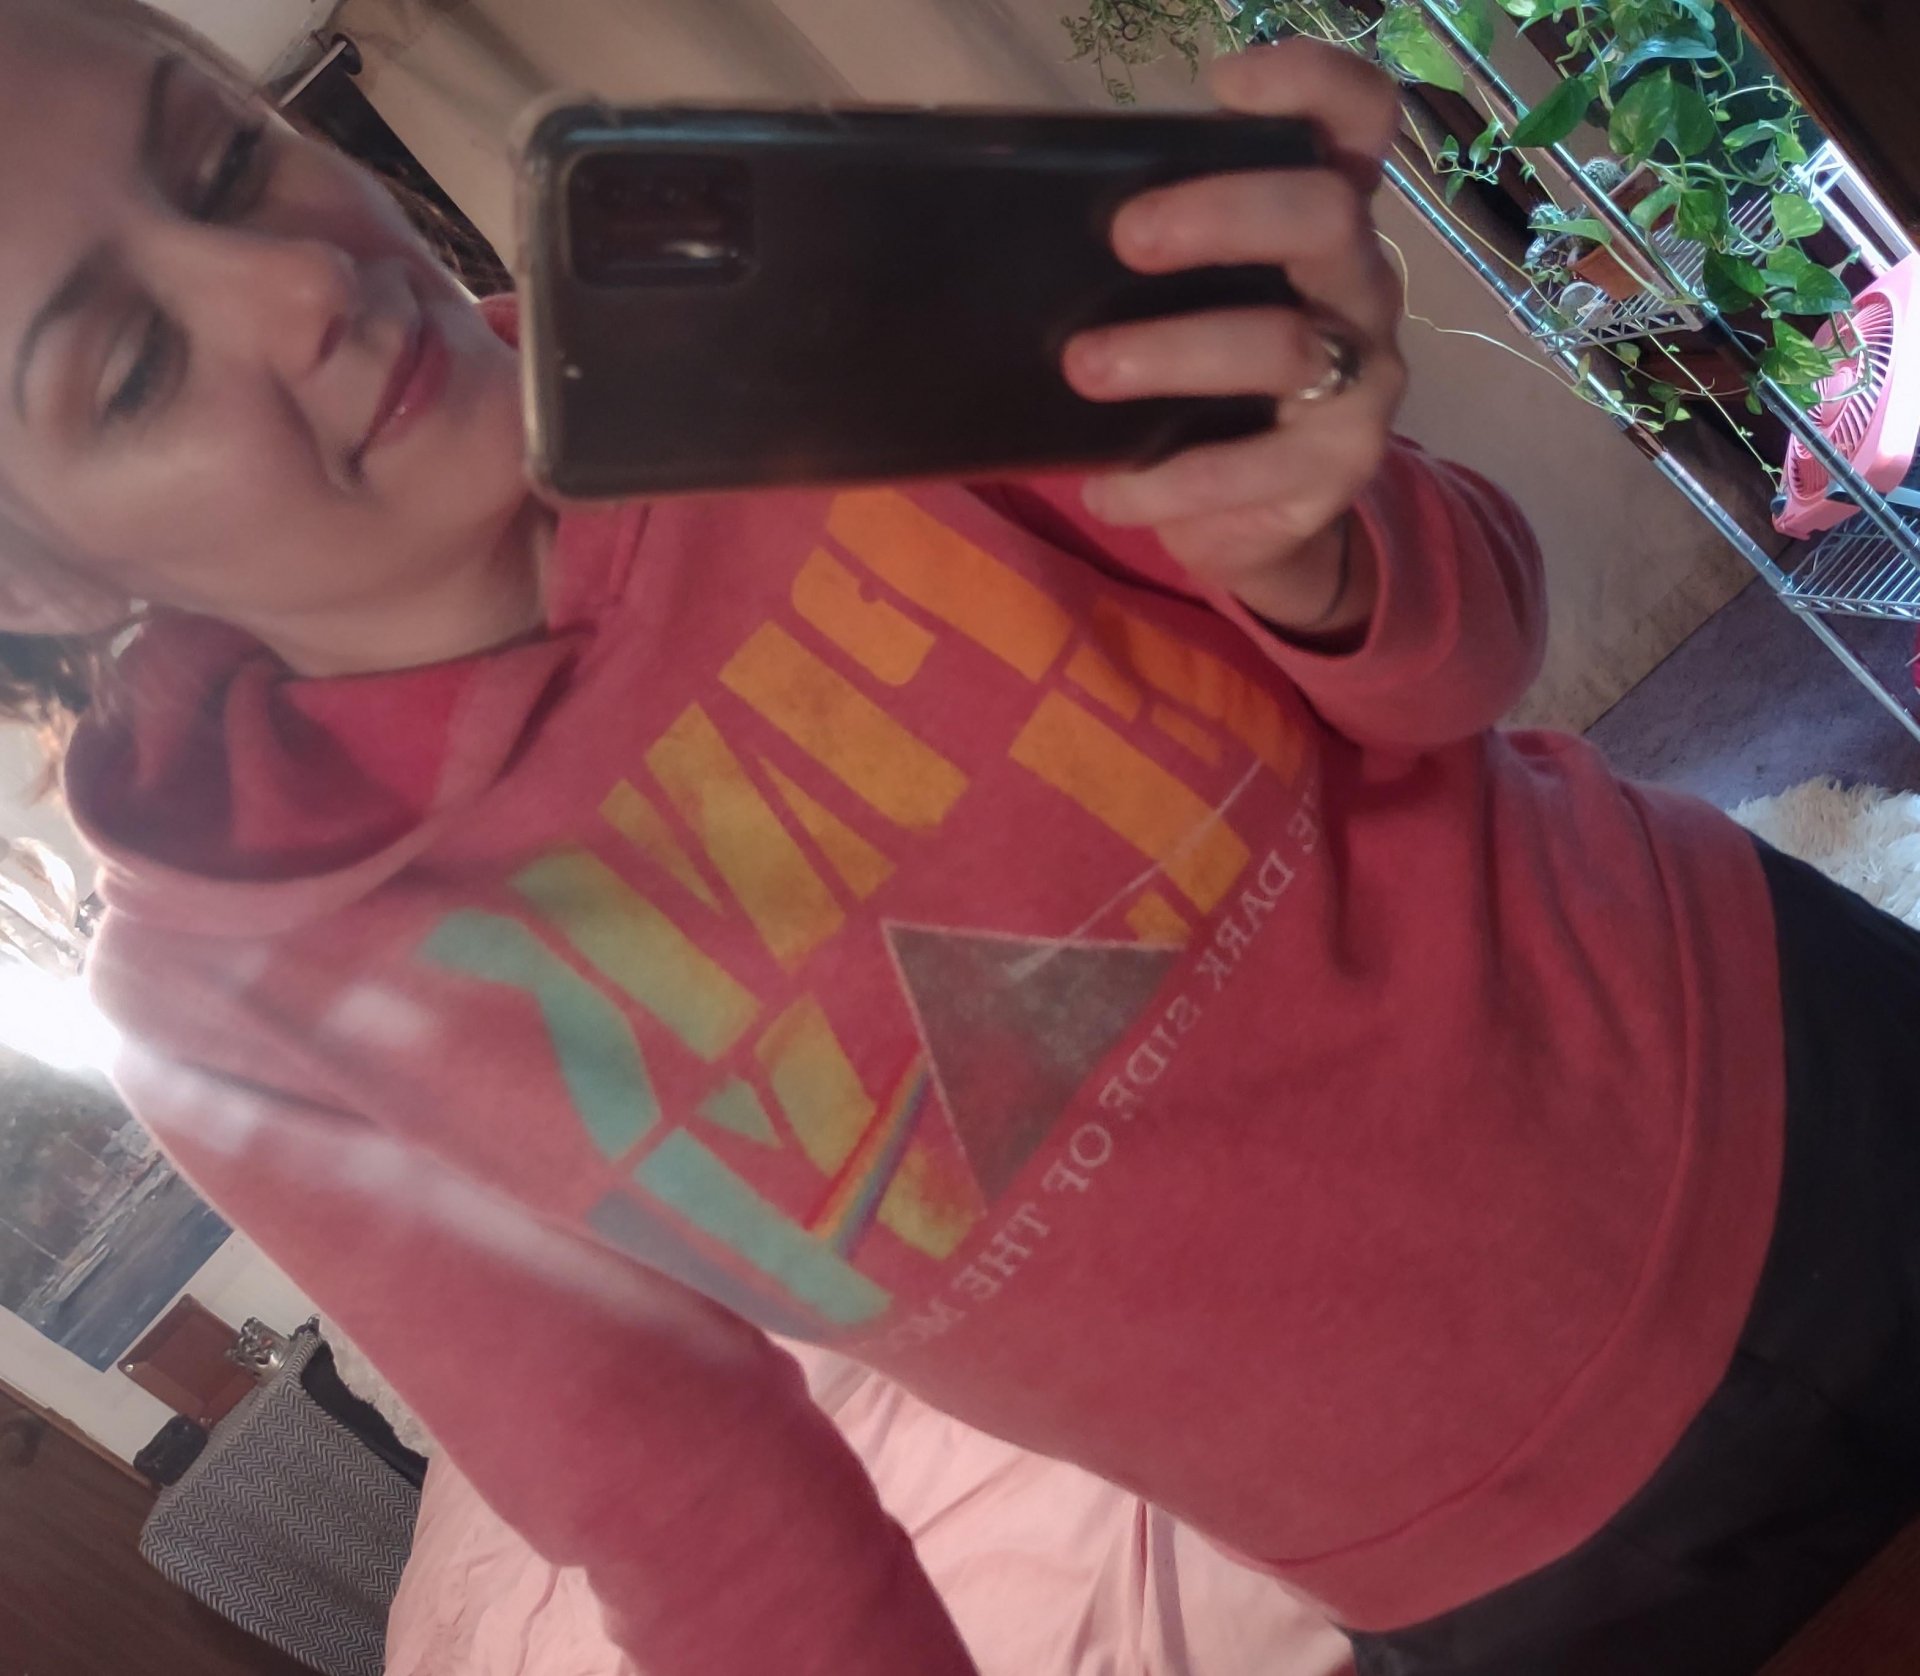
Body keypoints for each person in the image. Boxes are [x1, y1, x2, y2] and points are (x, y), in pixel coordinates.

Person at [2, 2, 1918, 1673]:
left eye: (227, 163)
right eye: (130, 366)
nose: (296, 286)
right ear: (35, 580)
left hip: (1792, 1052)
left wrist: (1317, 543)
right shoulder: (234, 1002)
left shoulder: (769, 299)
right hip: (1496, 1551)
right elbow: (689, 1504)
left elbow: (1461, 657)